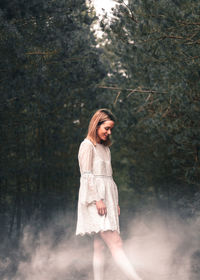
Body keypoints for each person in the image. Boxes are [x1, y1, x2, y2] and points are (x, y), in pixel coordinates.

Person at [76, 108, 142, 280]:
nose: (109, 132)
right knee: (116, 243)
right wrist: (97, 199)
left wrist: (115, 202)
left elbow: (109, 178)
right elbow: (87, 175)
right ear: (96, 125)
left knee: (100, 245)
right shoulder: (87, 146)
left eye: (111, 129)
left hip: (108, 200)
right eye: (106, 128)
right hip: (95, 200)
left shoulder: (105, 149)